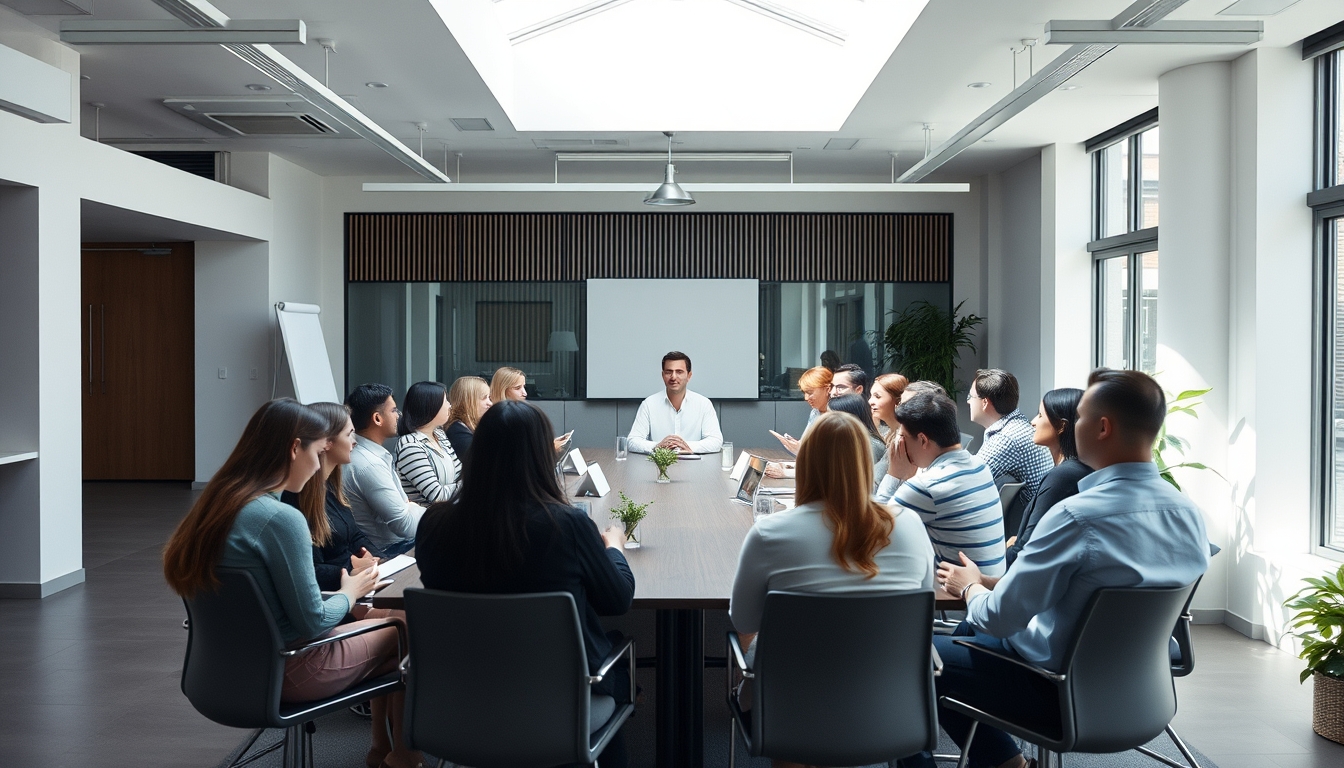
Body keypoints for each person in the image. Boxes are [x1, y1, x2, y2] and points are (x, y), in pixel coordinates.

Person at [927, 369, 1209, 768]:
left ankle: (1004, 761)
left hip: (1057, 693)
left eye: (1080, 418)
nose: (1073, 427)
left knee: (916, 655)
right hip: (1145, 693)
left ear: (1103, 428)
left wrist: (970, 586)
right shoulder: (1188, 513)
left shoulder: (1076, 517)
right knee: (968, 636)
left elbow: (999, 618)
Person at [162, 399, 419, 768]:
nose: (317, 465)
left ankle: (386, 751)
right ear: (296, 448)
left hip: (219, 672)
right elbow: (312, 621)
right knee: (409, 627)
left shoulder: (214, 509)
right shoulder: (279, 519)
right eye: (316, 452)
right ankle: (402, 757)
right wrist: (349, 593)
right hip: (291, 669)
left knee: (391, 624)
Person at [416, 400, 636, 768]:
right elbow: (618, 600)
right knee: (615, 655)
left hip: (458, 702)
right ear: (540, 456)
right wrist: (614, 547)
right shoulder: (565, 525)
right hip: (557, 707)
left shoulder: (434, 525)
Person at [728, 411, 936, 742]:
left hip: (790, 708)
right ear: (866, 463)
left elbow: (744, 619)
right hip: (886, 703)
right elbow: (922, 604)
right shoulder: (909, 524)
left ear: (805, 463)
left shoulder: (769, 533)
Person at [883, 392, 1007, 576]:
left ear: (923, 440)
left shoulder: (927, 487)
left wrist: (894, 475)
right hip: (989, 588)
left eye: (902, 437)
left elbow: (874, 533)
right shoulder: (980, 466)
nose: (899, 444)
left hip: (955, 592)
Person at [280, 402, 383, 591]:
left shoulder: (332, 487)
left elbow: (355, 535)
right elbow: (311, 571)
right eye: (348, 434)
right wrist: (351, 566)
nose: (355, 441)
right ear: (327, 442)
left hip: (352, 584)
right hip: (337, 592)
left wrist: (374, 557)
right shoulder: (295, 499)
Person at [1002, 388, 1092, 567]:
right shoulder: (1078, 469)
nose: (1033, 422)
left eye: (1040, 415)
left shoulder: (1062, 477)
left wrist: (1008, 549)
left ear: (1061, 426)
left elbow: (1027, 549)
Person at [343, 384, 424, 558]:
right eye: (393, 410)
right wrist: (414, 508)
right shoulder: (370, 464)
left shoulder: (370, 456)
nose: (398, 415)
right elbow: (405, 526)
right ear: (377, 418)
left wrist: (410, 508)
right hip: (392, 551)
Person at [968, 369, 1054, 507]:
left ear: (985, 403)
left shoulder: (1006, 438)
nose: (968, 402)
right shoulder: (1018, 425)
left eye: (971, 396)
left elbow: (968, 480)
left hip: (1032, 517)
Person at [627, 351, 724, 454]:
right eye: (668, 372)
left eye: (679, 372)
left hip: (694, 462)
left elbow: (716, 441)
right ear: (663, 375)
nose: (673, 377)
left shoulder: (703, 404)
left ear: (689, 376)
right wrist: (657, 446)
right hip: (659, 463)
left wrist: (686, 446)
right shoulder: (649, 404)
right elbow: (633, 441)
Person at [394, 381, 462, 505]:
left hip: (450, 511)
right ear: (431, 407)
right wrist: (470, 486)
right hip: (428, 515)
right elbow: (437, 496)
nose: (450, 405)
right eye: (445, 401)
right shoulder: (410, 446)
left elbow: (460, 474)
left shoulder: (439, 434)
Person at [771, 366, 832, 455]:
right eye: (804, 393)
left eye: (810, 392)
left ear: (827, 389)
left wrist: (803, 450)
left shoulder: (838, 416)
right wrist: (797, 445)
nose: (806, 398)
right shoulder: (815, 412)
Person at [444, 375, 491, 459]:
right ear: (468, 401)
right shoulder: (457, 431)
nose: (490, 403)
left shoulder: (470, 426)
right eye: (484, 398)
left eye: (489, 398)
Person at [870, 372, 910, 438]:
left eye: (877, 396)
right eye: (871, 396)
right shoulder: (889, 434)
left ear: (898, 401)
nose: (870, 401)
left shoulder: (906, 437)